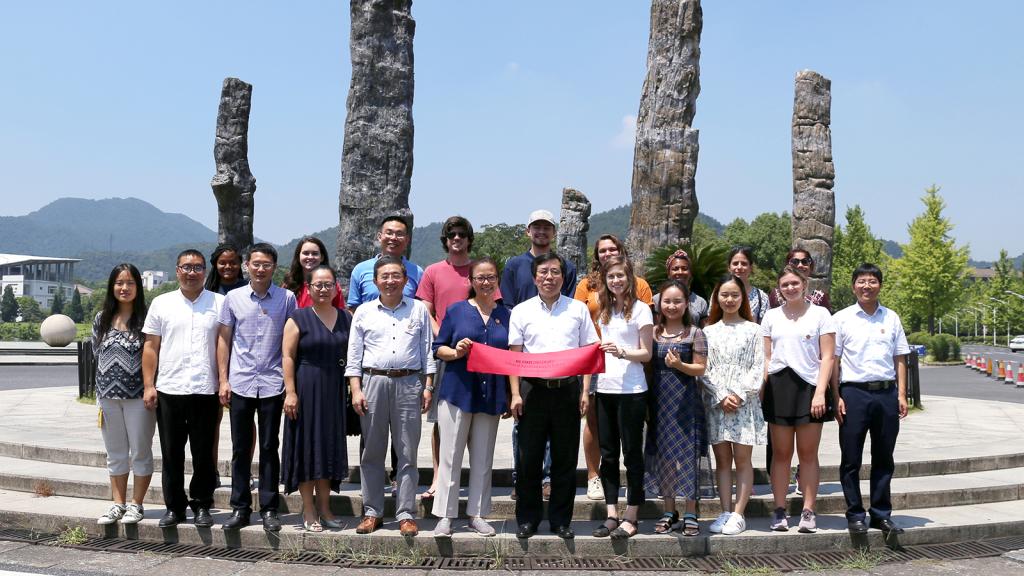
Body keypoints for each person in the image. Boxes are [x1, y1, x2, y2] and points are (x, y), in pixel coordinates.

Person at [508, 252, 597, 540]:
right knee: (528, 459)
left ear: (563, 276)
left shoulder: (578, 309)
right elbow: (514, 355)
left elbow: (589, 352)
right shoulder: (521, 311)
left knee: (565, 459)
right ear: (535, 277)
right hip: (532, 391)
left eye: (555, 272)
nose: (549, 277)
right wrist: (515, 394)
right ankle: (528, 519)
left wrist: (585, 391)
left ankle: (561, 520)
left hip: (567, 391)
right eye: (544, 272)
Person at [346, 256, 436, 537]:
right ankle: (372, 511)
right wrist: (356, 388)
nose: (390, 281)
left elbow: (427, 350)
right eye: (384, 276)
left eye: (396, 275)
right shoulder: (364, 311)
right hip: (373, 381)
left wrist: (428, 386)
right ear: (375, 281)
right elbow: (354, 354)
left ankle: (406, 514)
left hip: (409, 382)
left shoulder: (418, 309)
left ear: (405, 280)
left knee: (407, 451)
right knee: (372, 451)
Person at [416, 216, 500, 501]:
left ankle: (475, 486)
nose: (456, 238)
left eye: (462, 234)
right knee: (442, 421)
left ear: (469, 239)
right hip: (446, 352)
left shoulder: (481, 270)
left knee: (478, 420)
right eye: (451, 234)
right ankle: (438, 477)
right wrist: (446, 336)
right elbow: (425, 311)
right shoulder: (433, 271)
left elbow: (494, 306)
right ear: (445, 239)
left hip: (481, 355)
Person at [217, 243, 296, 532]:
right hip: (241, 381)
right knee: (240, 448)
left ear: (274, 267)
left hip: (273, 382)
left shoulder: (287, 298)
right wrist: (223, 380)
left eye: (266, 264)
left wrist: (291, 387)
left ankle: (269, 508)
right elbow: (224, 339)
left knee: (269, 446)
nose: (261, 269)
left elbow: (291, 342)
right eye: (256, 264)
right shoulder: (233, 298)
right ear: (247, 266)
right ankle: (240, 508)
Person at [142, 249, 224, 528]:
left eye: (197, 267)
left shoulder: (219, 303)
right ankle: (174, 507)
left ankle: (202, 504)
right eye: (186, 267)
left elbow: (225, 345)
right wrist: (149, 385)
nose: (192, 272)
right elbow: (151, 347)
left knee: (203, 453)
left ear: (205, 272)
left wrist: (224, 381)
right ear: (177, 270)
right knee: (171, 453)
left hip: (206, 389)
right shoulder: (161, 303)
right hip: (170, 388)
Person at [500, 209, 576, 500]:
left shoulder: (565, 266)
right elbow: (507, 305)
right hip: (525, 354)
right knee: (523, 424)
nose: (541, 232)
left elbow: (567, 304)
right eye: (536, 227)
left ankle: (548, 480)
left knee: (556, 431)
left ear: (554, 233)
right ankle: (521, 478)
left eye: (547, 228)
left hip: (559, 362)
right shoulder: (514, 265)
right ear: (528, 231)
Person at [431, 257, 509, 537]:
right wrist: (457, 352)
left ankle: (477, 514)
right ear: (471, 281)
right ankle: (445, 515)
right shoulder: (457, 311)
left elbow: (512, 354)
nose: (486, 282)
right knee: (450, 456)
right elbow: (438, 348)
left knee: (483, 457)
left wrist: (511, 394)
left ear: (497, 280)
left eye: (491, 277)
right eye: (480, 278)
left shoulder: (507, 315)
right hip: (458, 391)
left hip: (491, 393)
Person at [831, 263, 910, 539]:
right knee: (851, 458)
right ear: (854, 286)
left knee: (884, 457)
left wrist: (901, 394)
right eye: (862, 281)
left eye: (873, 281)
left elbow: (900, 357)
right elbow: (833, 361)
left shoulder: (891, 318)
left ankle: (881, 514)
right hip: (853, 393)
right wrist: (836, 396)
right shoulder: (841, 318)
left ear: (880, 285)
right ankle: (855, 514)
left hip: (886, 394)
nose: (867, 286)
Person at [574, 234, 653, 501]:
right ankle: (595, 480)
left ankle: (633, 496)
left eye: (613, 249)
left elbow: (645, 346)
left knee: (631, 445)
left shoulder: (640, 297)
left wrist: (622, 352)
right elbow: (580, 324)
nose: (607, 254)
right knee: (599, 433)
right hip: (599, 370)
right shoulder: (592, 292)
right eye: (602, 250)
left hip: (630, 378)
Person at [761, 266, 836, 533]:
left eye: (795, 283)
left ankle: (808, 511)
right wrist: (762, 390)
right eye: (785, 285)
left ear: (804, 284)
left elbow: (828, 357)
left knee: (808, 454)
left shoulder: (821, 314)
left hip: (810, 388)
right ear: (779, 288)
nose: (790, 288)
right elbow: (767, 357)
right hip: (778, 387)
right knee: (781, 454)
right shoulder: (771, 316)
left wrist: (820, 392)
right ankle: (779, 510)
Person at [281, 265, 352, 532]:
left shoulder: (346, 317)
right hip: (306, 388)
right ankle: (308, 510)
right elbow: (287, 356)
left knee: (328, 448)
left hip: (334, 390)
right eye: (318, 285)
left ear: (336, 288)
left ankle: (325, 508)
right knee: (307, 448)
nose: (323, 289)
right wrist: (290, 392)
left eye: (328, 284)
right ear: (308, 288)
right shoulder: (298, 318)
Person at [590, 256, 653, 540]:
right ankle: (611, 513)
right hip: (605, 388)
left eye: (620, 276)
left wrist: (622, 352)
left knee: (632, 454)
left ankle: (632, 514)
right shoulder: (604, 310)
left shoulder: (641, 310)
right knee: (608, 454)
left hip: (632, 391)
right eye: (611, 276)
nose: (616, 281)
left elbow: (647, 353)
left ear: (630, 279)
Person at [702, 275, 766, 536]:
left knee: (742, 460)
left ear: (743, 298)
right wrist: (720, 395)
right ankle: (725, 511)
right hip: (717, 403)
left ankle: (739, 514)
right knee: (722, 460)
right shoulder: (708, 331)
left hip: (744, 403)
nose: (729, 299)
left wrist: (738, 395)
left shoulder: (754, 330)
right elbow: (704, 368)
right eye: (724, 295)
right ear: (716, 298)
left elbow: (758, 366)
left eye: (735, 295)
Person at [93, 263, 154, 526]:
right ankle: (118, 503)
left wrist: (151, 387)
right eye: (119, 283)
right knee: (115, 453)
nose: (124, 288)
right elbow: (97, 356)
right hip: (108, 397)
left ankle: (136, 504)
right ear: (112, 287)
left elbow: (154, 355)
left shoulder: (147, 319)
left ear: (138, 287)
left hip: (139, 398)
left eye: (130, 283)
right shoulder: (101, 318)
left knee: (140, 451)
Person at [645, 280, 707, 536]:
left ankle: (691, 511)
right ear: (659, 304)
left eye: (677, 301)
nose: (671, 306)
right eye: (667, 301)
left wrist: (680, 365)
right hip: (659, 400)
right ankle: (669, 510)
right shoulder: (653, 333)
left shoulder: (695, 333)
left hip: (686, 402)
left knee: (688, 455)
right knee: (665, 456)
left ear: (686, 304)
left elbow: (700, 368)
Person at [347, 216, 424, 309]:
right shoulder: (360, 270)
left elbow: (421, 308)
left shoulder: (417, 272)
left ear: (407, 240)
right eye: (389, 233)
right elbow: (353, 308)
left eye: (399, 234)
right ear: (379, 237)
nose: (394, 238)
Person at [284, 236, 345, 308]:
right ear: (298, 256)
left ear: (322, 257)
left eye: (315, 253)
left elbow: (340, 312)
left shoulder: (331, 286)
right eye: (306, 253)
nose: (310, 257)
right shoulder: (288, 285)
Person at [654, 249, 709, 327]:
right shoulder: (656, 300)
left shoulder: (701, 302)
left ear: (690, 273)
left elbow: (704, 330)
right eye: (675, 269)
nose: (680, 272)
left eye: (684, 268)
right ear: (668, 273)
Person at [727, 246, 770, 323]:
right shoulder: (718, 294)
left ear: (751, 267)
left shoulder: (761, 297)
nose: (739, 267)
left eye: (744, 264)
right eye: (735, 263)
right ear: (729, 267)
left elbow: (764, 328)